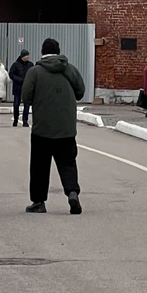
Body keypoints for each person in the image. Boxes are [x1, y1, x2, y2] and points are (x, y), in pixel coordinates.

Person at [22, 37, 85, 215]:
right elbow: (80, 92)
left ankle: (39, 202)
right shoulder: (70, 69)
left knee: (39, 166)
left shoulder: (34, 72)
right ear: (58, 51)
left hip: (42, 128)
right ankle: (72, 193)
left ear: (42, 52)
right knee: (68, 163)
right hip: (66, 128)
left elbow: (26, 97)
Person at [9, 49, 33, 127]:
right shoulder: (15, 65)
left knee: (27, 104)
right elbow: (11, 74)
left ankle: (25, 121)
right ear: (23, 56)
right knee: (16, 104)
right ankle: (15, 119)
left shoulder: (30, 65)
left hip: (27, 87)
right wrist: (19, 80)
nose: (28, 57)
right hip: (17, 88)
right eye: (27, 55)